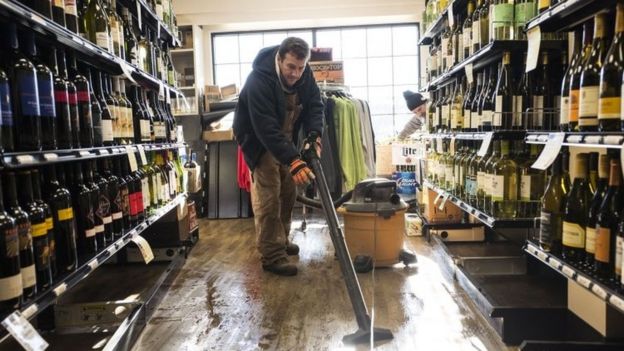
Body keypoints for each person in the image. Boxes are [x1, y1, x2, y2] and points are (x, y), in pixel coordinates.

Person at [233, 37, 324, 276]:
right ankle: (272, 255)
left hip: (285, 138)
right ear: (279, 59)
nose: (295, 74)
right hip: (259, 139)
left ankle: (281, 239)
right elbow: (264, 126)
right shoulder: (258, 80)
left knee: (288, 191)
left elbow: (315, 104)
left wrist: (314, 135)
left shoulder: (305, 74)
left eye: (300, 68)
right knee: (268, 196)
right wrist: (293, 159)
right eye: (290, 67)